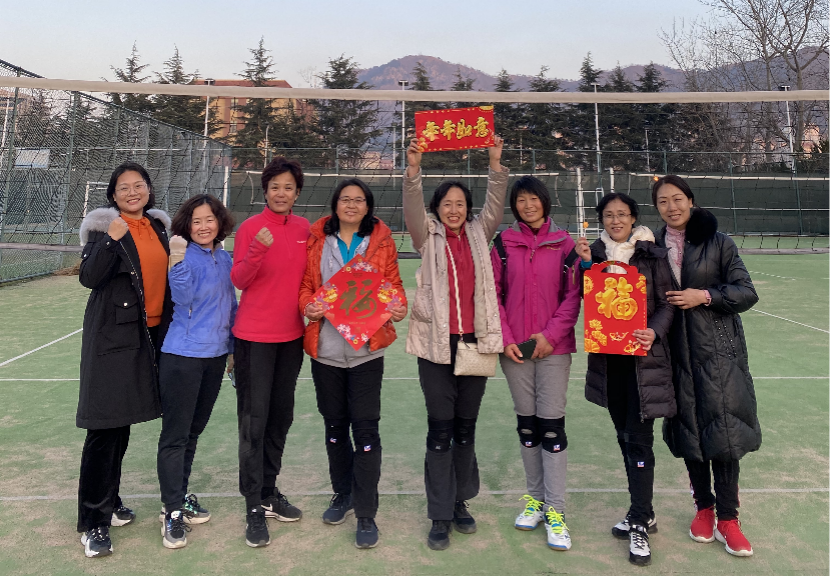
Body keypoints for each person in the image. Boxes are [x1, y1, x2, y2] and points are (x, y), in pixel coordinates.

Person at [403, 136, 509, 551]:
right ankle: (439, 513)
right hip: (435, 347)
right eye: (446, 203)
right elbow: (412, 205)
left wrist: (495, 163)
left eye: (460, 204)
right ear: (436, 208)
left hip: (475, 345)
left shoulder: (480, 233)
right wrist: (414, 168)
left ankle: (461, 501)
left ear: (468, 209)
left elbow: (496, 203)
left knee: (466, 428)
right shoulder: (425, 235)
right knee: (440, 429)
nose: (454, 209)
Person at [653, 175, 760, 557]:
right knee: (690, 433)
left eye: (677, 199)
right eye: (663, 201)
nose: (671, 207)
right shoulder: (652, 247)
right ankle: (704, 508)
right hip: (674, 355)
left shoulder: (719, 243)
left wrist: (705, 295)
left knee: (725, 435)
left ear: (691, 201)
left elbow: (746, 292)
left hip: (718, 354)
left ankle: (729, 519)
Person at [299, 178, 408, 549]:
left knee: (365, 431)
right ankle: (342, 493)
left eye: (359, 200)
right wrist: (308, 306)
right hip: (326, 350)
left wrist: (397, 306)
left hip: (367, 352)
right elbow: (306, 285)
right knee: (334, 427)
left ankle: (366, 512)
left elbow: (393, 286)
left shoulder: (381, 241)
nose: (351, 205)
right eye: (345, 199)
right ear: (335, 204)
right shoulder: (317, 239)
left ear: (368, 206)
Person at [76, 161, 172, 558]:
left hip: (150, 337)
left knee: (123, 423)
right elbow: (89, 277)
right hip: (113, 340)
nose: (132, 192)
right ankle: (93, 522)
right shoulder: (105, 229)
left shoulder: (159, 227)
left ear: (148, 189)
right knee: (105, 428)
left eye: (139, 185)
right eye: (124, 187)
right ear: (113, 196)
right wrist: (111, 240)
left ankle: (110, 501)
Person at [574, 192, 675, 566]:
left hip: (643, 363)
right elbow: (585, 296)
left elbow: (667, 303)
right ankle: (641, 510)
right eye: (608, 215)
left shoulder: (652, 254)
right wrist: (585, 265)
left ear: (633, 218)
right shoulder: (596, 254)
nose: (615, 220)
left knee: (639, 440)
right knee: (624, 436)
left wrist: (654, 331)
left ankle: (640, 520)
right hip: (609, 363)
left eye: (622, 214)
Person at [491, 176, 581, 551]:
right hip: (515, 350)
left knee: (551, 428)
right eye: (521, 200)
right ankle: (536, 501)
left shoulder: (565, 244)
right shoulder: (503, 243)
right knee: (527, 427)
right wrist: (507, 339)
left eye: (534, 199)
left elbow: (574, 296)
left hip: (553, 350)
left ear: (545, 201)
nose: (528, 205)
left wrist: (549, 336)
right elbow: (493, 293)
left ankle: (556, 511)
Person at [231, 157, 310, 548]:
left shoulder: (305, 229)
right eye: (275, 186)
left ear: (297, 193)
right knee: (254, 423)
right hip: (253, 340)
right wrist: (257, 251)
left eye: (288, 187)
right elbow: (239, 279)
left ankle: (268, 491)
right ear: (265, 191)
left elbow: (312, 279)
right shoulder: (250, 228)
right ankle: (253, 505)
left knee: (280, 418)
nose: (281, 193)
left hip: (291, 340)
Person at [155, 195, 237, 549]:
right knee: (175, 436)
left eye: (209, 220)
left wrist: (232, 349)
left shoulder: (224, 258)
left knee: (193, 433)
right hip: (183, 357)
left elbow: (230, 305)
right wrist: (176, 260)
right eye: (196, 221)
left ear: (220, 222)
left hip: (215, 357)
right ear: (186, 225)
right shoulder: (183, 255)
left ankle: (178, 497)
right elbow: (183, 298)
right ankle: (172, 511)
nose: (204, 227)